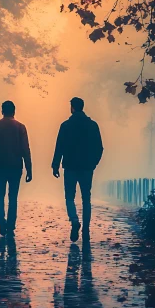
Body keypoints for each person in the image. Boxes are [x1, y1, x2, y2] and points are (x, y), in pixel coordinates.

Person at [52, 97, 103, 242]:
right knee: (86, 198)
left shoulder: (66, 125)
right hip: (87, 167)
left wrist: (55, 164)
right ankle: (86, 228)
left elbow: (59, 146)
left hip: (70, 166)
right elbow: (99, 147)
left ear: (72, 108)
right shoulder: (93, 125)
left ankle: (74, 220)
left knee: (69, 197)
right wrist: (94, 163)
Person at [0, 100, 32, 236]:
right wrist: (29, 169)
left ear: (2, 111)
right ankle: (11, 225)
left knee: (0, 195)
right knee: (13, 197)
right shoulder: (20, 127)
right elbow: (25, 149)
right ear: (14, 111)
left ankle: (1, 222)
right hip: (15, 167)